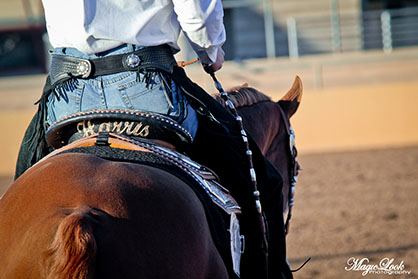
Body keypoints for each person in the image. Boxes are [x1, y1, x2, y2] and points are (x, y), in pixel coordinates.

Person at [15, 0, 292, 278]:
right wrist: (210, 50)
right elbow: (198, 13)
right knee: (263, 182)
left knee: (18, 196)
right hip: (146, 86)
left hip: (66, 95)